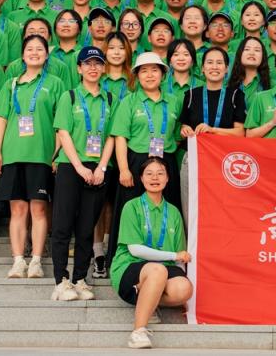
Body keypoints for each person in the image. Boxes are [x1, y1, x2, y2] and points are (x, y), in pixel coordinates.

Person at [51, 46, 116, 302]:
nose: (93, 68)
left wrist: (101, 167)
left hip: (98, 168)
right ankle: (61, 280)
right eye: (87, 63)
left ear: (104, 68)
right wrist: (79, 167)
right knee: (63, 225)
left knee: (87, 227)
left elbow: (112, 136)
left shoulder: (110, 99)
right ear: (79, 68)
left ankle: (80, 278)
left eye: (97, 63)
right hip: (71, 166)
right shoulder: (69, 97)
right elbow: (63, 132)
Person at [0, 35, 58, 279]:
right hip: (12, 155)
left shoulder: (55, 83)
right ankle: (18, 260)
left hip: (41, 156)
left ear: (47, 55)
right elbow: (1, 119)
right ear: (22, 55)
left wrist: (55, 154)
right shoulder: (11, 84)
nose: (34, 53)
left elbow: (61, 123)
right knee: (17, 210)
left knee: (39, 209)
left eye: (39, 49)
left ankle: (37, 260)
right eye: (30, 49)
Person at [110, 52, 185, 263]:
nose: (150, 75)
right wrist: (124, 169)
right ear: (137, 76)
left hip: (166, 162)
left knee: (167, 209)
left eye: (154, 70)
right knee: (131, 209)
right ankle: (124, 261)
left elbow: (177, 134)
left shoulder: (174, 101)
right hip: (136, 162)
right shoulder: (129, 102)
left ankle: (169, 258)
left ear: (163, 74)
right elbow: (120, 137)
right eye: (144, 71)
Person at [113, 157, 192, 350]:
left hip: (164, 268)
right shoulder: (132, 206)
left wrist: (184, 298)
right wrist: (173, 256)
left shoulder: (173, 212)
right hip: (131, 265)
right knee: (157, 271)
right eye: (149, 174)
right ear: (141, 178)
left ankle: (148, 296)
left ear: (167, 178)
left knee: (184, 289)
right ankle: (138, 331)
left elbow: (180, 255)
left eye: (160, 173)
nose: (154, 178)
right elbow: (134, 249)